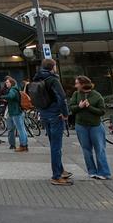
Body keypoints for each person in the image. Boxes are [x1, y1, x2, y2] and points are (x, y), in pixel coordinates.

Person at [32, 58, 72, 186]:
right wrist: (65, 114)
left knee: (53, 143)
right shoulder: (53, 79)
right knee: (56, 146)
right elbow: (61, 97)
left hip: (44, 113)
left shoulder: (37, 78)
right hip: (55, 114)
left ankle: (60, 170)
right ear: (52, 67)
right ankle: (56, 176)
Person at [69, 76, 111, 180]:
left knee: (99, 149)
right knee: (86, 149)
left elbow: (102, 111)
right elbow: (72, 108)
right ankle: (92, 171)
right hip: (81, 125)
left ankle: (103, 172)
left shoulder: (96, 95)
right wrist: (80, 106)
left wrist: (89, 107)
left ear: (83, 84)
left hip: (95, 126)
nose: (76, 86)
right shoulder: (76, 94)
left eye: (77, 83)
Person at [0, 76, 28, 152]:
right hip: (18, 111)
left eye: (7, 82)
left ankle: (23, 145)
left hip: (16, 112)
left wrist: (1, 97)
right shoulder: (16, 89)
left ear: (11, 83)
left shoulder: (12, 90)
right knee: (22, 129)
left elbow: (10, 96)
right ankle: (25, 145)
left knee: (20, 129)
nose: (6, 83)